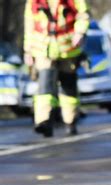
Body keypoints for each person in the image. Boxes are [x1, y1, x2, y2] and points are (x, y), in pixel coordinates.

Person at [24, 0, 90, 137]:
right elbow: (29, 25)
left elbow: (83, 15)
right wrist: (28, 50)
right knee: (45, 85)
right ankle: (44, 121)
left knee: (68, 87)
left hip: (68, 50)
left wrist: (80, 32)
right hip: (43, 50)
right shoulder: (33, 2)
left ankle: (70, 121)